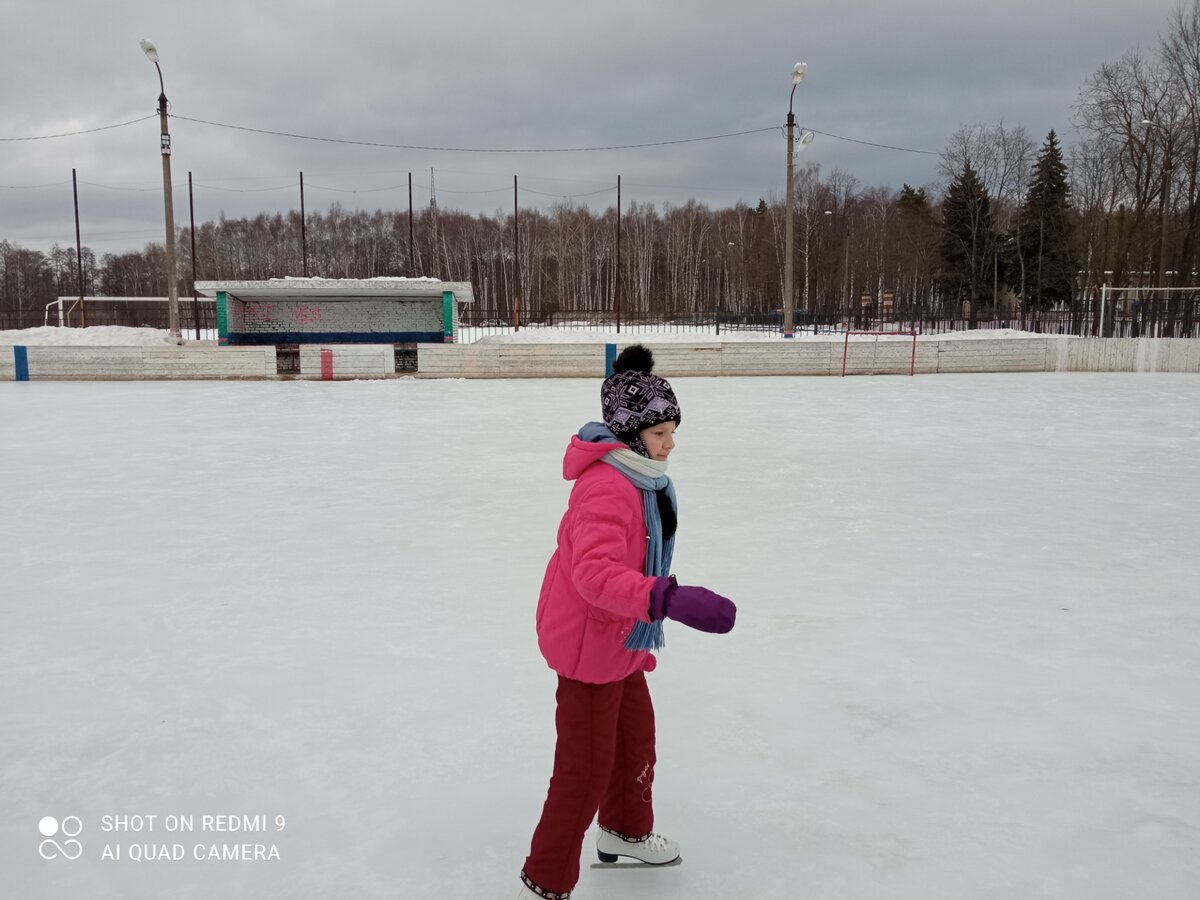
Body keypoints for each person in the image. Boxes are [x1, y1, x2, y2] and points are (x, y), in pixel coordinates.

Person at [517, 344, 737, 900]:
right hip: (592, 644)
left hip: (620, 638)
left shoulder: (639, 478)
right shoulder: (607, 487)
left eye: (672, 430)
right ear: (632, 435)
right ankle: (544, 881)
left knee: (636, 739)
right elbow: (593, 574)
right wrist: (667, 598)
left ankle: (624, 831)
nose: (671, 444)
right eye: (661, 433)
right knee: (582, 771)